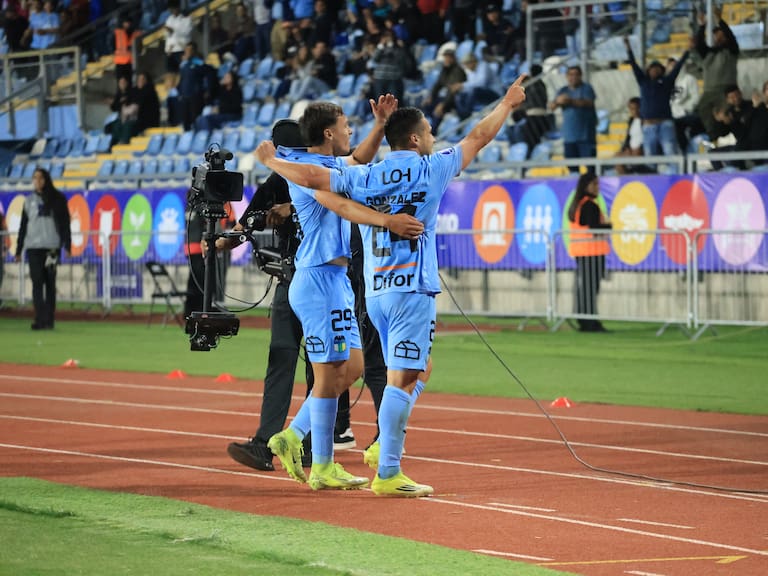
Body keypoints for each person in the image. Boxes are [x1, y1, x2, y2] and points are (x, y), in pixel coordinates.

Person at [256, 76, 528, 497]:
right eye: (431, 133)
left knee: (394, 369)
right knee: (401, 378)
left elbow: (317, 179)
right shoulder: (431, 167)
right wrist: (507, 103)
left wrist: (276, 163)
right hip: (410, 291)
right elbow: (479, 136)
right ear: (417, 139)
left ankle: (352, 446)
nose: (435, 138)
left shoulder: (367, 175)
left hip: (375, 291)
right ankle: (387, 468)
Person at [257, 97, 424, 492]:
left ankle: (297, 439)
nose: (351, 131)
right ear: (329, 132)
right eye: (346, 125)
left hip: (335, 280)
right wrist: (270, 162)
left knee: (350, 368)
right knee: (330, 371)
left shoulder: (330, 165)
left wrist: (380, 125)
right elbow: (334, 189)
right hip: (316, 280)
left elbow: (358, 160)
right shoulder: (310, 170)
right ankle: (319, 462)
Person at [14, 167, 71, 331]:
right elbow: (23, 226)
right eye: (34, 178)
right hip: (33, 248)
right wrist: (19, 249)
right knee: (37, 282)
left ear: (46, 180)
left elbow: (65, 222)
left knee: (50, 283)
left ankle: (49, 319)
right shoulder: (29, 201)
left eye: (40, 178)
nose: (37, 181)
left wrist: (67, 244)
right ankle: (40, 318)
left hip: (51, 247)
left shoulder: (57, 199)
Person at [624, 37, 687, 159]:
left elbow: (678, 67)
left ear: (662, 71)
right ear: (648, 71)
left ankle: (673, 176)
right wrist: (628, 48)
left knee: (670, 152)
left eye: (657, 68)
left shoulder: (667, 81)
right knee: (650, 154)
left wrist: (687, 52)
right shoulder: (643, 82)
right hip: (648, 125)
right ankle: (653, 177)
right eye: (652, 69)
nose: (654, 71)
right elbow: (634, 65)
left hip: (665, 123)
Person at [566, 172, 611, 333]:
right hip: (592, 252)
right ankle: (590, 322)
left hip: (582, 252)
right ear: (587, 186)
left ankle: (585, 320)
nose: (598, 188)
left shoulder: (578, 204)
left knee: (585, 289)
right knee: (591, 289)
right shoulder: (589, 205)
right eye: (595, 184)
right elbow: (594, 227)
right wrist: (609, 225)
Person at [691, 5, 739, 140]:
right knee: (703, 109)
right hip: (709, 89)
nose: (719, 38)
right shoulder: (708, 53)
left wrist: (720, 20)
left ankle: (732, 136)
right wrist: (702, 26)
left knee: (727, 113)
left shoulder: (731, 51)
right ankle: (713, 136)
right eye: (716, 36)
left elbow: (731, 36)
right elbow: (699, 44)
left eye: (721, 36)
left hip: (726, 88)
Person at [549, 65, 597, 173]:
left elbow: (588, 102)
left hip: (586, 136)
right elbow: (551, 107)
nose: (573, 77)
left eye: (576, 74)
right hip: (569, 137)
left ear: (580, 76)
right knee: (572, 168)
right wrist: (557, 102)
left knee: (590, 168)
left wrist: (569, 101)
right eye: (570, 74)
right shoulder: (563, 90)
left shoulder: (586, 88)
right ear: (566, 76)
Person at [114, 16, 141, 83]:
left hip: (131, 62)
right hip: (120, 62)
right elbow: (113, 44)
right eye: (125, 23)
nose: (127, 25)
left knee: (129, 82)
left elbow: (140, 48)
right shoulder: (118, 33)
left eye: (128, 23)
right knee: (120, 83)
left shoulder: (136, 33)